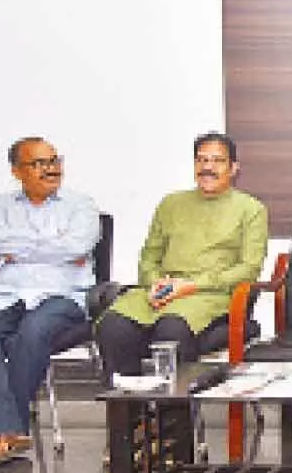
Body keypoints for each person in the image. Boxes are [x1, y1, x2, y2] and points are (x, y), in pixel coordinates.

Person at [95, 132, 267, 381]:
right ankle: (131, 413)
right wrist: (154, 282)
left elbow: (248, 269)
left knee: (171, 329)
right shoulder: (171, 204)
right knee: (112, 325)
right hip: (159, 291)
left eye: (217, 161)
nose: (208, 167)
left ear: (233, 168)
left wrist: (190, 286)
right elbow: (149, 256)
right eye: (201, 160)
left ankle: (176, 417)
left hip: (207, 295)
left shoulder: (251, 209)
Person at [0, 137, 99, 468]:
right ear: (17, 171)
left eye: (54, 161)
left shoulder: (80, 205)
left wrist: (17, 249)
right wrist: (52, 245)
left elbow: (76, 247)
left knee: (32, 332)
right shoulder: (0, 206)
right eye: (39, 163)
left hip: (62, 297)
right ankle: (5, 430)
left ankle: (3, 432)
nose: (51, 169)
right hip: (9, 295)